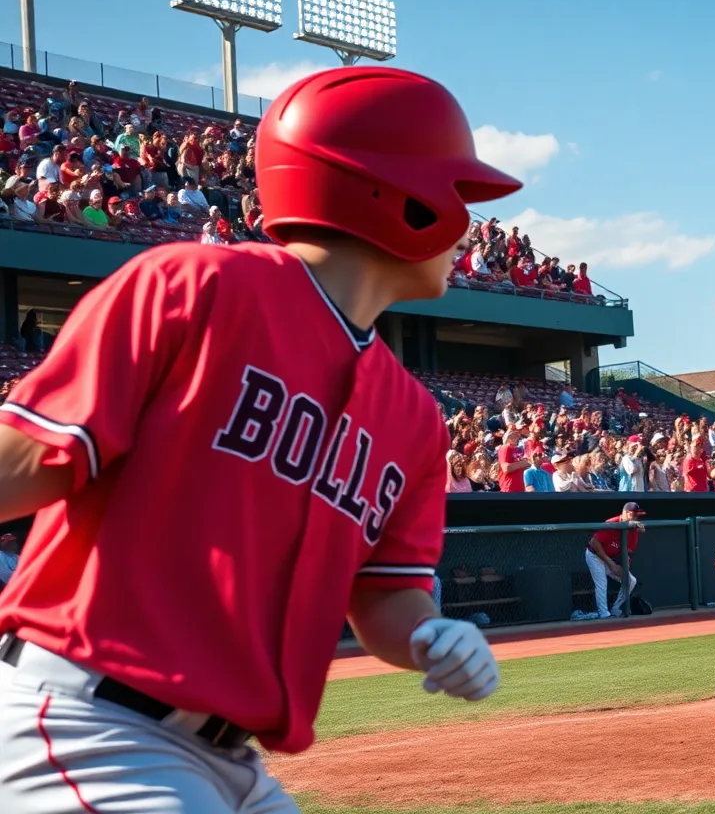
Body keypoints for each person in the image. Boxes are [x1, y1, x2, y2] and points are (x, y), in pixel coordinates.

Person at [0, 67, 523, 813]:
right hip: (90, 725)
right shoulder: (195, 287)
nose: (467, 222)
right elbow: (26, 460)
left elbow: (383, 599)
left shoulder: (412, 416)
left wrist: (432, 636)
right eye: (456, 193)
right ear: (393, 194)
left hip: (230, 762)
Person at [585, 502, 646, 619]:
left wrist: (624, 566)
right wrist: (611, 564)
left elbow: (628, 551)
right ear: (628, 514)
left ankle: (615, 608)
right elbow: (594, 542)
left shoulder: (633, 530)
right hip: (595, 556)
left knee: (631, 580)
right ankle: (604, 614)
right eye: (635, 515)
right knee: (602, 583)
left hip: (611, 558)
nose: (638, 519)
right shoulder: (611, 523)